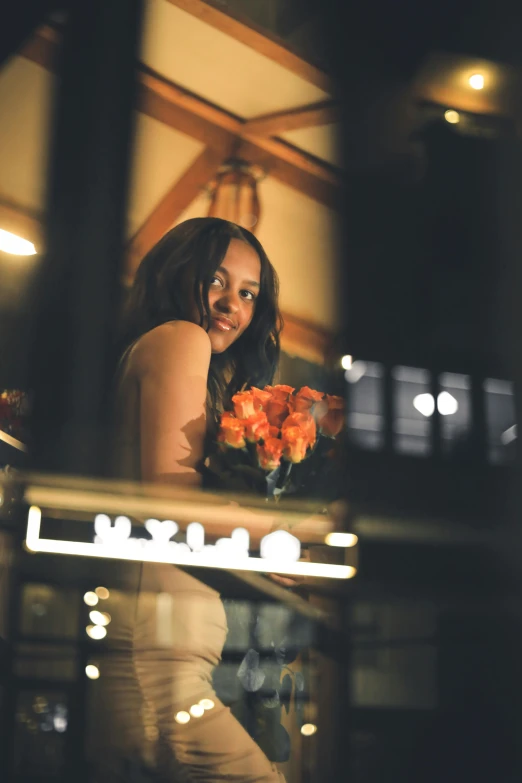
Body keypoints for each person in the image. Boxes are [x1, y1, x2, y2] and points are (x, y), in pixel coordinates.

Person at [91, 218, 289, 782]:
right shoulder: (182, 338)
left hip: (163, 654)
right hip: (158, 658)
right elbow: (175, 502)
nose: (233, 303)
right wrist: (289, 545)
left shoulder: (156, 352)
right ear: (180, 274)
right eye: (217, 281)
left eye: (249, 293)